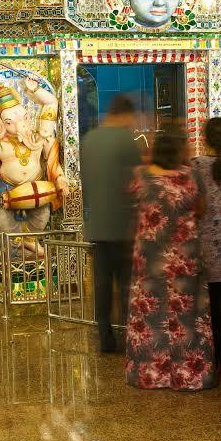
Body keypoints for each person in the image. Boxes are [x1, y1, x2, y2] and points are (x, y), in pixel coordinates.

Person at [125, 128, 214, 390]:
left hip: (150, 256)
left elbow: (132, 202)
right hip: (184, 256)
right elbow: (202, 209)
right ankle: (189, 374)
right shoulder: (191, 175)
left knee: (150, 312)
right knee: (186, 314)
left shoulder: (142, 176)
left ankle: (151, 372)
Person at [80, 95, 142, 353]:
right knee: (127, 284)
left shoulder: (89, 140)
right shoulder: (127, 140)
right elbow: (137, 182)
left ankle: (105, 337)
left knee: (102, 286)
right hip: (123, 226)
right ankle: (130, 336)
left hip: (97, 226)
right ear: (125, 114)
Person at [191, 117, 221, 369]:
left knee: (203, 306)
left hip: (201, 247)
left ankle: (205, 355)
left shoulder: (195, 166)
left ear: (204, 138)